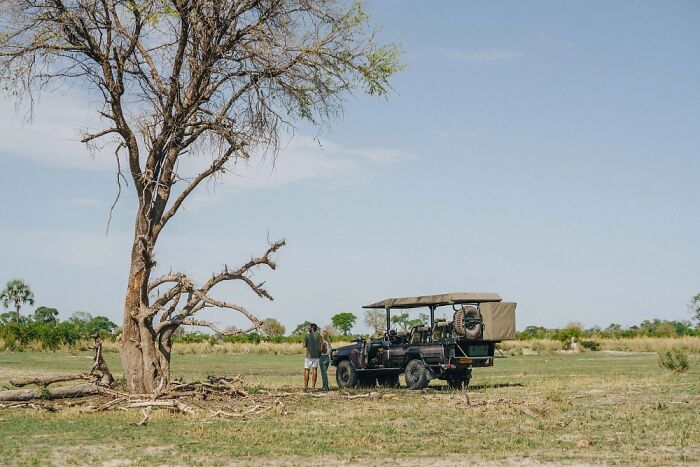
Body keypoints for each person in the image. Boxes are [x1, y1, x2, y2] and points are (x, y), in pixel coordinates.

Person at [302, 323, 322, 390]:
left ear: (311, 328)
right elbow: (321, 345)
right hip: (317, 355)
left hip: (308, 356)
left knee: (306, 370)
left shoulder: (307, 336)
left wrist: (303, 343)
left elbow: (304, 345)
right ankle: (313, 387)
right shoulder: (319, 335)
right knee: (314, 370)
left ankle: (306, 386)